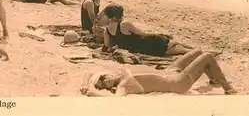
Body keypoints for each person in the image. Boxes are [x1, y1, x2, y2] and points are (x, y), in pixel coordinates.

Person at [80, 48, 236, 96]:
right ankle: (228, 88)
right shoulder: (124, 86)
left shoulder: (119, 71)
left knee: (197, 52)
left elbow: (88, 72)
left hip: (169, 71)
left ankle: (214, 78)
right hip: (177, 82)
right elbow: (115, 101)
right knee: (207, 57)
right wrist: (92, 91)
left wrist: (85, 84)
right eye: (103, 85)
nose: (105, 80)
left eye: (102, 78)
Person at [102, 5, 194, 56]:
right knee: (177, 45)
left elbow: (106, 47)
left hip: (145, 50)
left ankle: (197, 51)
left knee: (179, 50)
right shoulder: (124, 24)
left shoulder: (106, 31)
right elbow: (143, 34)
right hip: (150, 43)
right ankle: (198, 50)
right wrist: (161, 34)